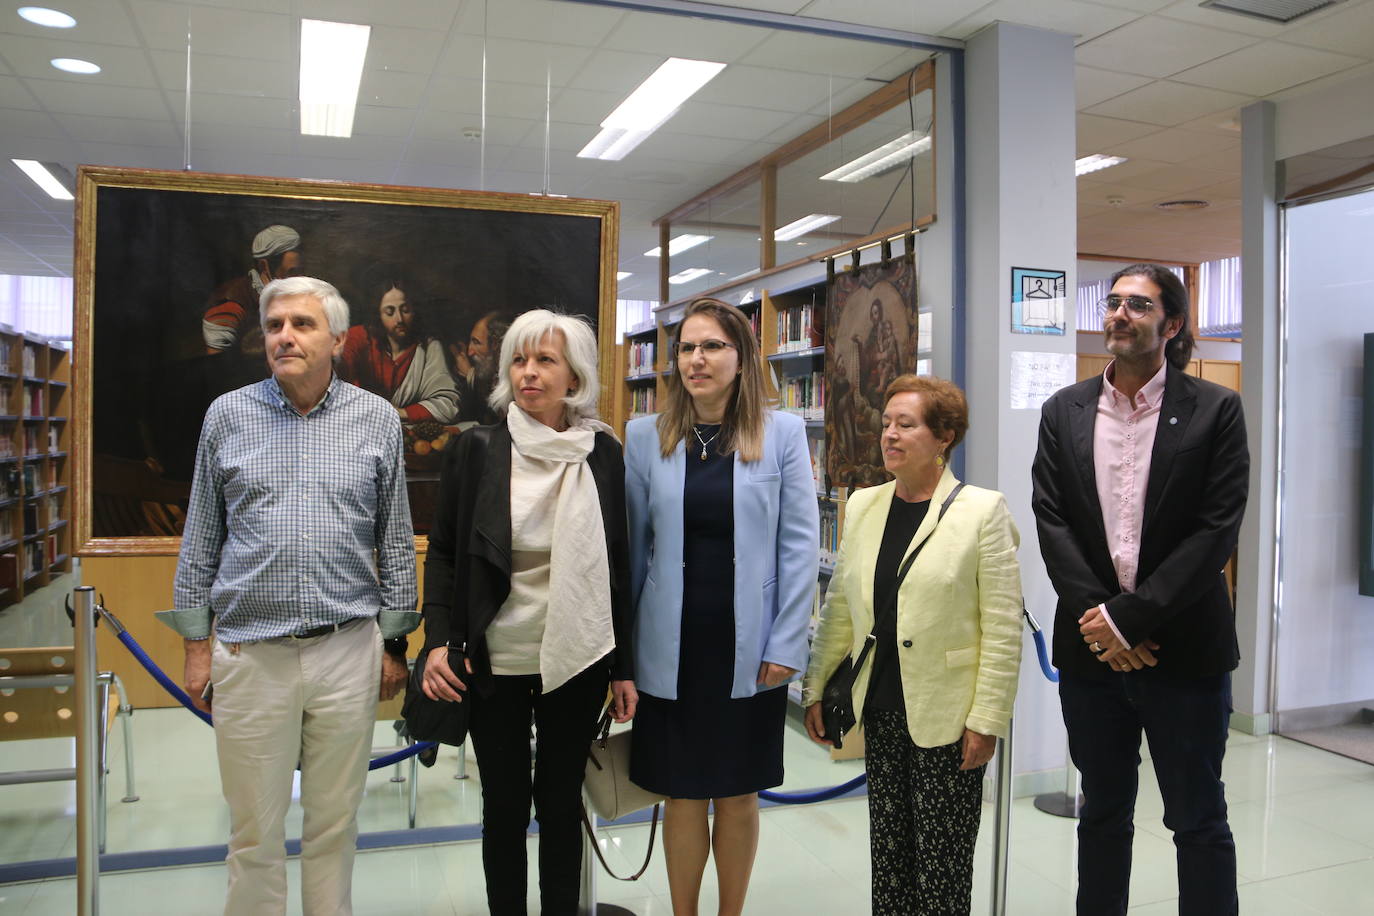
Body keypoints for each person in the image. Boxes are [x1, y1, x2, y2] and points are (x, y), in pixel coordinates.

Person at [161, 275, 418, 915]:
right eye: (274, 325)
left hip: (345, 652)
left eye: (301, 324)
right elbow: (199, 539)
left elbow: (394, 542)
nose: (284, 336)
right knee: (254, 834)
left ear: (336, 338)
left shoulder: (376, 420)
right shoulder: (228, 417)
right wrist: (198, 645)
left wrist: (394, 645)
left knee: (334, 825)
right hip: (251, 655)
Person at [1031, 263, 1249, 915]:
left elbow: (1216, 530)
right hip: (1092, 658)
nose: (1120, 314)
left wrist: (1129, 618)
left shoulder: (1215, 410)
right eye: (1113, 302)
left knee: (1197, 819)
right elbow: (1052, 518)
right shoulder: (1063, 410)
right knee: (1101, 814)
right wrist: (1102, 624)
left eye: (1139, 305)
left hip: (1184, 655)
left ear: (1172, 324)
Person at [420, 309, 636, 915]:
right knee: (506, 806)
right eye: (518, 359)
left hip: (580, 652)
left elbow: (617, 564)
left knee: (563, 803)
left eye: (545, 360)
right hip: (497, 657)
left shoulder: (602, 455)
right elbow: (443, 555)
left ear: (575, 376)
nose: (529, 373)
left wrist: (623, 666)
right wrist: (439, 640)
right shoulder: (476, 449)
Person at [625, 297, 819, 916]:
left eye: (712, 346)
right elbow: (631, 553)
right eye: (686, 348)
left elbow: (799, 548)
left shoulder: (782, 433)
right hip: (669, 646)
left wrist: (789, 644)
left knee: (738, 795)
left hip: (751, 647)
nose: (696, 359)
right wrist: (622, 660)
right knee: (681, 795)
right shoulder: (643, 436)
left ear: (741, 358)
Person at [802, 374, 1023, 915]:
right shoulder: (864, 507)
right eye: (886, 424)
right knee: (890, 857)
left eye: (907, 424)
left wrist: (986, 720)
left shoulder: (982, 511)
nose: (890, 436)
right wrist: (814, 686)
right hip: (880, 710)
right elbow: (841, 612)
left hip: (948, 718)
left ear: (943, 436)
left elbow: (1002, 627)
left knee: (942, 870)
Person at [337, 274, 461, 423]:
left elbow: (449, 404)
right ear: (378, 315)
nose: (399, 319)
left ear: (415, 310)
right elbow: (340, 376)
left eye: (406, 310)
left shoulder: (428, 348)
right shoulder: (360, 337)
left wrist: (401, 412)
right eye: (390, 312)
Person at [202, 224, 304, 355]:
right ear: (264, 266)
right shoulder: (230, 305)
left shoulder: (294, 297)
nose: (298, 280)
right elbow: (217, 363)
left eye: (300, 272)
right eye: (291, 273)